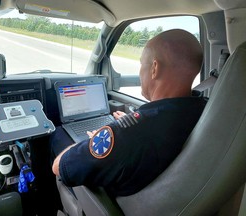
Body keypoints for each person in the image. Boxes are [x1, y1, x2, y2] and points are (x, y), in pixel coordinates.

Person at [50, 29, 208, 197]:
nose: (140, 72)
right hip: (161, 189)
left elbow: (59, 167)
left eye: (142, 64)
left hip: (115, 204)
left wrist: (96, 139)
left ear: (155, 68)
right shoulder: (202, 110)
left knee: (57, 134)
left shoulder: (127, 134)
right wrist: (128, 125)